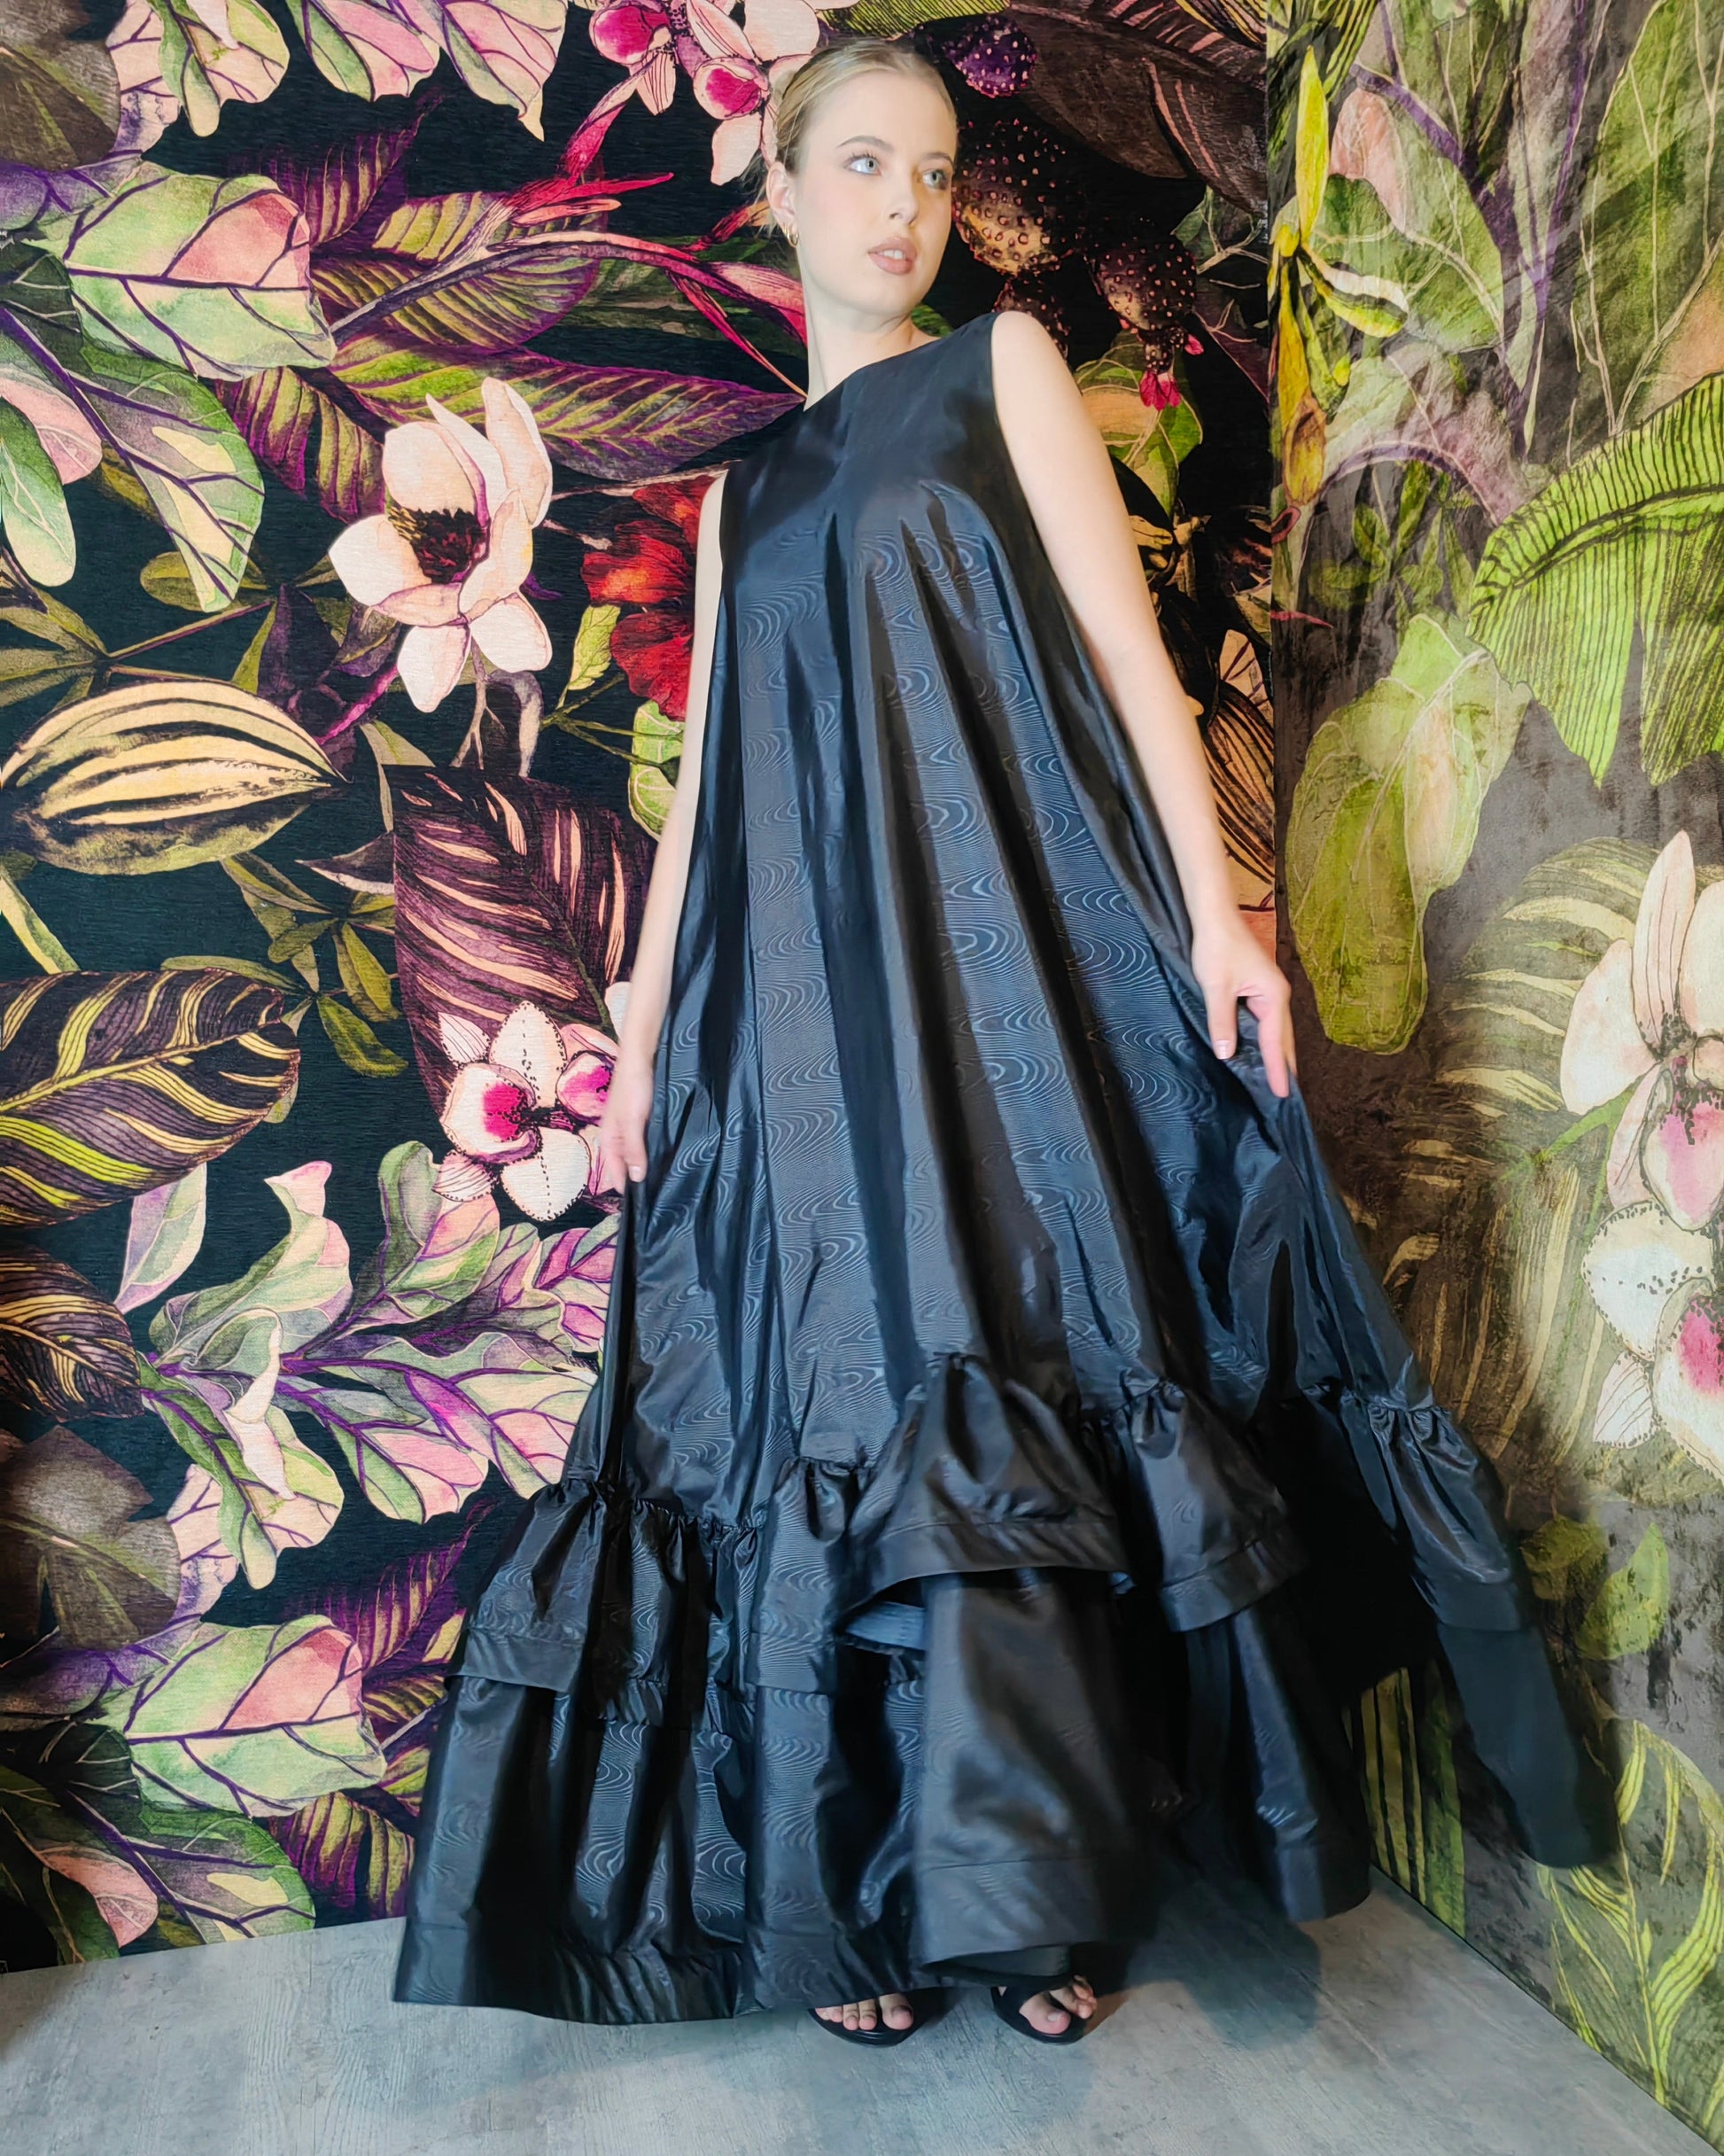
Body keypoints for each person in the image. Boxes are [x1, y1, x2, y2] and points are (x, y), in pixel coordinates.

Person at [394, 38, 1608, 2049]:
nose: (902, 204)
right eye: (859, 164)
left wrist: (1221, 918)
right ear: (776, 187)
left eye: (934, 171)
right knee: (824, 1386)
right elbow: (706, 785)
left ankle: (1035, 1897)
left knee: (1010, 1349)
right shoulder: (738, 491)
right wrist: (637, 1008)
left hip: (990, 967)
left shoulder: (1003, 379)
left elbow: (1130, 657)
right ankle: (857, 1892)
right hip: (787, 1007)